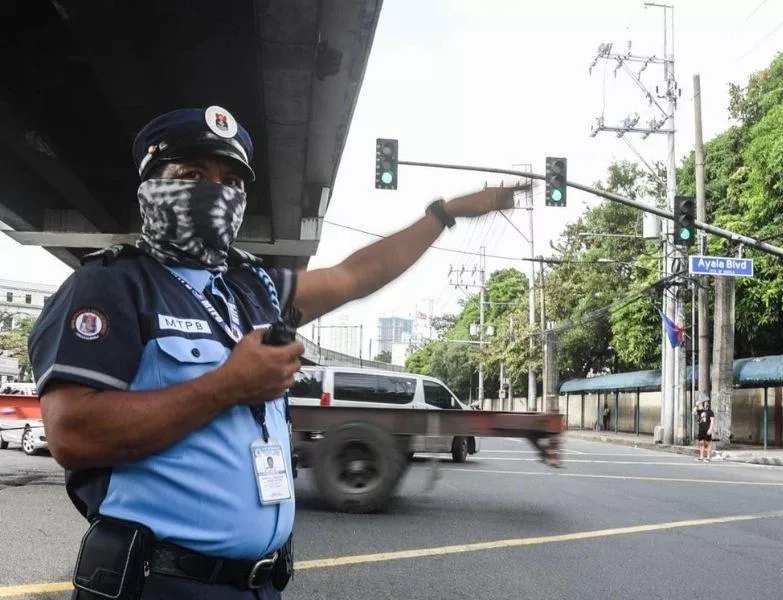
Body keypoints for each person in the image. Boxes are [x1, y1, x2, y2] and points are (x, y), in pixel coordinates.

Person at [27, 105, 524, 600]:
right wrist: (227, 386)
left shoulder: (252, 289)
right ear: (151, 187)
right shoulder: (112, 285)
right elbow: (73, 434)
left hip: (258, 585)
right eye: (193, 175)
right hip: (160, 584)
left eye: (231, 181)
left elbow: (355, 275)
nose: (217, 192)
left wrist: (443, 215)